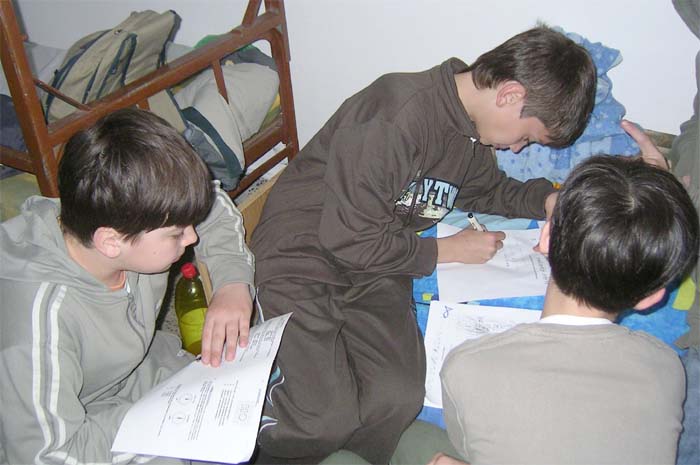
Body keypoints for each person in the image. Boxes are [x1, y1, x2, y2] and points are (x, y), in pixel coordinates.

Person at [250, 24, 597, 463]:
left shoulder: (471, 134)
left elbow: (487, 190)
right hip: (304, 253)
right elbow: (348, 238)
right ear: (510, 95)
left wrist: (545, 199)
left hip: (376, 260)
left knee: (397, 395)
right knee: (320, 418)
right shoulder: (395, 116)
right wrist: (445, 251)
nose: (516, 148)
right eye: (526, 136)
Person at [0, 108, 255, 464]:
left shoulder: (122, 219)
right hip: (80, 426)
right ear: (111, 242)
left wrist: (232, 283)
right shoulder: (40, 324)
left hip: (139, 370)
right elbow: (46, 455)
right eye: (176, 234)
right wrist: (161, 423)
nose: (192, 237)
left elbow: (211, 206)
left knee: (244, 405)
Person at [437, 155, 699, 465]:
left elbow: (466, 447)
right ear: (651, 298)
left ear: (546, 237)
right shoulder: (667, 368)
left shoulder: (466, 366)